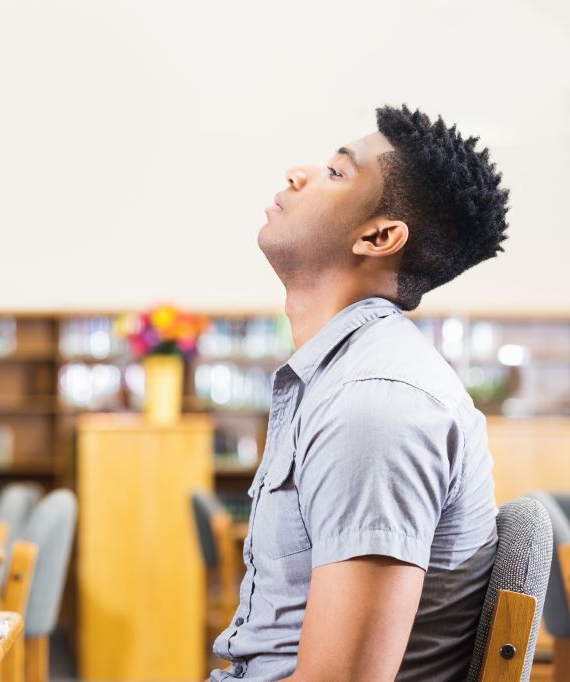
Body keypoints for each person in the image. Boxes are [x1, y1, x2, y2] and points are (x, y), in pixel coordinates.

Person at [211, 105, 510, 681]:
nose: (298, 173)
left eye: (336, 172)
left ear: (378, 236)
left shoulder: (376, 405)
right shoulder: (342, 378)